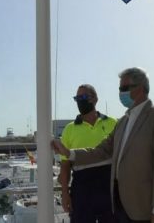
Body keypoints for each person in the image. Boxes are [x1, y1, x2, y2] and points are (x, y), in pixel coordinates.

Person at [53, 67, 154, 223]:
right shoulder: (122, 122)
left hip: (146, 209)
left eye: (123, 88)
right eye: (120, 89)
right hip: (120, 207)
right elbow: (101, 151)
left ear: (140, 88)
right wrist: (68, 152)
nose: (120, 93)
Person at [59, 84, 116, 223]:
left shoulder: (113, 123)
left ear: (95, 99)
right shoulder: (69, 129)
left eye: (83, 97)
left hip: (109, 186)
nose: (80, 101)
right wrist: (65, 194)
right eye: (77, 98)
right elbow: (65, 166)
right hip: (81, 188)